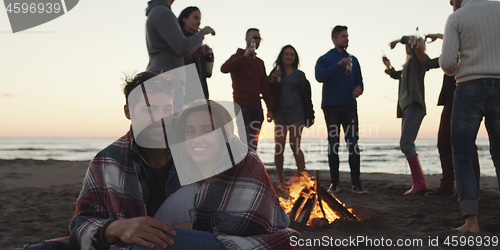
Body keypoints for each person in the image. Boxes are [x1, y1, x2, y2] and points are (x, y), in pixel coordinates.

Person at [10, 71, 181, 250]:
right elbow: (80, 226)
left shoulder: (192, 155)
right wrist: (116, 228)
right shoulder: (108, 160)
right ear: (128, 111)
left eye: (167, 109)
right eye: (149, 108)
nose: (160, 118)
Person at [139, 99, 299, 250]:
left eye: (207, 130)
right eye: (190, 131)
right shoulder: (184, 196)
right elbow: (151, 231)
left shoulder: (249, 170)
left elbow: (255, 223)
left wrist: (193, 225)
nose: (197, 138)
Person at [440, 0, 500, 233]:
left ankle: (471, 222)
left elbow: (446, 64)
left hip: (470, 88)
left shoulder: (457, 18)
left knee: (463, 155)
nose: (450, 2)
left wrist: (460, 63)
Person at [410, 33, 481, 197]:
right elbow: (427, 63)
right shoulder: (449, 55)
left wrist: (442, 36)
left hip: (464, 97)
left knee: (467, 144)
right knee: (443, 142)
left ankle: (473, 188)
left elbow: (462, 37)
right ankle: (448, 186)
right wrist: (414, 45)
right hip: (450, 100)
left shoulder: (468, 51)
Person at [315, 26, 366, 194]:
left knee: (353, 143)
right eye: (343, 36)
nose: (346, 39)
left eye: (347, 36)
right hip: (331, 107)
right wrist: (338, 65)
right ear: (334, 39)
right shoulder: (325, 59)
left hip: (350, 106)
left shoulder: (354, 60)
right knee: (333, 144)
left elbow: (359, 81)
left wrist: (359, 88)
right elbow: (319, 76)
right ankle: (334, 183)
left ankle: (356, 183)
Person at [146, 0, 215, 114]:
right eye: (195, 17)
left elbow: (170, 51)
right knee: (173, 123)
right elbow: (183, 47)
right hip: (169, 77)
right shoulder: (163, 13)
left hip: (167, 75)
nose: (199, 21)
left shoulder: (158, 11)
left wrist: (195, 55)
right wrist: (201, 33)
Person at [383, 35, 430, 195]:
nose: (407, 45)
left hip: (414, 106)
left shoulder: (418, 61)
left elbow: (410, 40)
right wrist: (388, 66)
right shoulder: (408, 65)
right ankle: (418, 182)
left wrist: (399, 40)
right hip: (406, 108)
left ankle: (420, 183)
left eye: (411, 43)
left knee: (406, 143)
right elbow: (397, 75)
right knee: (407, 144)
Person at [221, 28, 273, 151]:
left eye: (258, 38)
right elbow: (224, 68)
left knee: (254, 143)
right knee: (244, 141)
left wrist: (270, 109)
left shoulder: (259, 62)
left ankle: (251, 166)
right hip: (242, 105)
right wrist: (244, 56)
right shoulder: (238, 57)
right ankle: (244, 166)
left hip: (257, 106)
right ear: (247, 39)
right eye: (253, 37)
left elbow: (265, 87)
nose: (256, 40)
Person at [269, 45, 314, 188]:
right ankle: (281, 179)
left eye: (292, 55)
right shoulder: (275, 73)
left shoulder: (299, 75)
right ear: (281, 56)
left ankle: (303, 178)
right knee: (279, 148)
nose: (289, 57)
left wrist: (309, 115)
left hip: (297, 113)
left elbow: (307, 96)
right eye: (286, 54)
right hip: (280, 114)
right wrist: (271, 81)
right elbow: (268, 93)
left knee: (295, 146)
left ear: (295, 58)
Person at [178, 6, 215, 104]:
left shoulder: (199, 41)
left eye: (200, 19)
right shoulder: (181, 41)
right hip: (183, 92)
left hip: (200, 92)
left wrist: (209, 56)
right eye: (195, 18)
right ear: (184, 19)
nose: (199, 22)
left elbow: (208, 72)